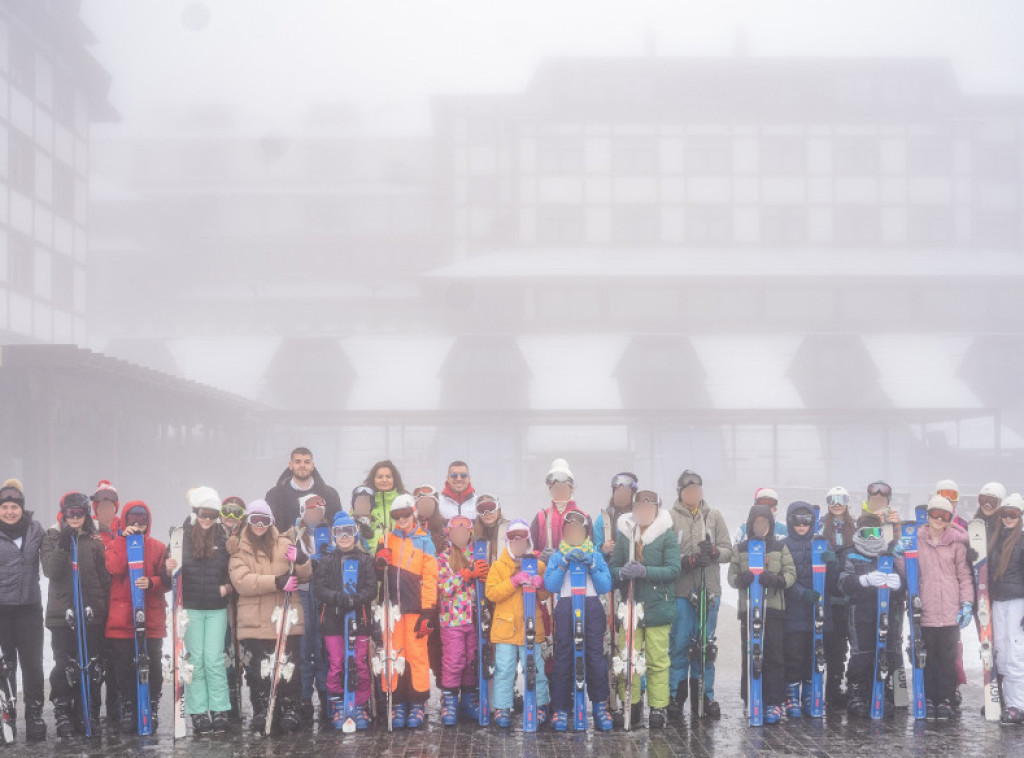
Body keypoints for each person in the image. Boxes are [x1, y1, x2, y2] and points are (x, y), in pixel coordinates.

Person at [229, 499, 312, 735]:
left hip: (285, 619)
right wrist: (276, 582)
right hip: (255, 622)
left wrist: (302, 560)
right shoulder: (239, 549)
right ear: (247, 521)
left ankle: (289, 708)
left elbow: (305, 576)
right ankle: (263, 709)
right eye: (254, 519)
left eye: (264, 520)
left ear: (271, 522)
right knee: (258, 670)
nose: (259, 525)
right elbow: (241, 581)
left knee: (290, 668)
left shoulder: (285, 543)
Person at [608, 489, 680, 728]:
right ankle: (633, 703)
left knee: (657, 659)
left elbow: (673, 569)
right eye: (639, 508)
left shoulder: (666, 535)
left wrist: (645, 572)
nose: (644, 513)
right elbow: (614, 567)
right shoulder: (626, 533)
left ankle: (658, 707)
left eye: (649, 509)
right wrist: (621, 572)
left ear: (656, 510)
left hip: (658, 607)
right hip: (630, 609)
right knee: (628, 657)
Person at [164, 487, 233, 734]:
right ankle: (198, 710)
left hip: (216, 608)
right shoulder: (180, 539)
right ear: (195, 512)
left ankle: (219, 708)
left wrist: (227, 586)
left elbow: (232, 573)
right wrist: (167, 567)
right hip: (191, 608)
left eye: (213, 515)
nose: (208, 520)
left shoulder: (223, 540)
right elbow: (167, 576)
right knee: (196, 660)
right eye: (204, 514)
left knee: (214, 659)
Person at [667, 469, 731, 720]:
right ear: (681, 492)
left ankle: (705, 695)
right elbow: (665, 553)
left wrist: (714, 553)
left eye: (697, 489)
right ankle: (676, 695)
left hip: (709, 590)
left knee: (705, 645)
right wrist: (685, 561)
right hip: (682, 590)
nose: (693, 494)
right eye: (688, 490)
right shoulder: (669, 517)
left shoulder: (713, 516)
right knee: (680, 643)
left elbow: (729, 550)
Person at [543, 509, 614, 731]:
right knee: (564, 657)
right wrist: (563, 562)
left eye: (578, 530)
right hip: (566, 608)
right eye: (569, 530)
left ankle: (600, 706)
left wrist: (592, 564)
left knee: (594, 658)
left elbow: (605, 586)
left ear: (586, 533)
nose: (573, 533)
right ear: (563, 533)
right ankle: (561, 708)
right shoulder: (557, 555)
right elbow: (551, 586)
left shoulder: (596, 554)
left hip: (591, 608)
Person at [105, 500, 170, 734]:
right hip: (122, 619)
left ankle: (151, 705)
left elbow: (167, 581)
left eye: (142, 519)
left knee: (151, 664)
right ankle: (130, 705)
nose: (137, 523)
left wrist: (152, 582)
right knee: (124, 666)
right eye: (132, 518)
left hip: (150, 617)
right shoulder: (114, 544)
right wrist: (125, 540)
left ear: (149, 521)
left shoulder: (158, 546)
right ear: (124, 520)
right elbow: (114, 567)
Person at [374, 494, 438, 729]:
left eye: (405, 514)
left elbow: (431, 578)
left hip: (415, 608)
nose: (401, 519)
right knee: (392, 654)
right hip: (391, 609)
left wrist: (428, 611)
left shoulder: (424, 541)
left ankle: (418, 702)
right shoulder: (386, 539)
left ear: (413, 513)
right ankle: (397, 703)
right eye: (396, 516)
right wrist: (379, 562)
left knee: (417, 655)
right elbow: (377, 574)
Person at [729, 503, 796, 724]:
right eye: (757, 523)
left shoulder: (779, 547)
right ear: (751, 524)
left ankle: (774, 702)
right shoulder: (741, 548)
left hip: (773, 609)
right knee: (751, 655)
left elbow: (790, 573)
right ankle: (751, 697)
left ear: (770, 525)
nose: (761, 527)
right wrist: (741, 580)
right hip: (749, 609)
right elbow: (731, 576)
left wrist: (777, 580)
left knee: (774, 656)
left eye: (765, 523)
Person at [313, 511, 376, 731]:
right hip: (333, 620)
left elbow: (371, 588)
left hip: (359, 618)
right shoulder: (327, 561)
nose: (345, 537)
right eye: (340, 532)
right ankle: (338, 702)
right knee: (337, 662)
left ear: (356, 534)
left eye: (349, 531)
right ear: (333, 535)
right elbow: (319, 588)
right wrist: (338, 598)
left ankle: (359, 703)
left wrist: (355, 600)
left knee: (358, 662)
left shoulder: (365, 559)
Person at [837, 516, 905, 719]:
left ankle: (881, 689)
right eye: (867, 532)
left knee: (885, 650)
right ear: (859, 532)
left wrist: (898, 584)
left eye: (876, 532)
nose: (871, 537)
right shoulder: (851, 555)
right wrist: (863, 580)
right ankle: (857, 691)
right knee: (862, 653)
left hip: (885, 611)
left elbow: (902, 588)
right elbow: (843, 582)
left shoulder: (888, 555)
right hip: (860, 611)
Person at [484, 519, 550, 728]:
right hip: (505, 629)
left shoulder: (538, 565)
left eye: (523, 540)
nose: (519, 544)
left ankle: (540, 704)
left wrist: (541, 585)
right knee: (504, 669)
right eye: (514, 540)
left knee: (535, 667)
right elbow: (492, 593)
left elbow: (547, 593)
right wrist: (513, 582)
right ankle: (502, 707)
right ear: (508, 542)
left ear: (528, 541)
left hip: (531, 628)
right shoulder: (498, 566)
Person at [916, 494, 973, 719]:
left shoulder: (956, 543)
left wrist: (966, 602)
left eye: (944, 515)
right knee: (927, 658)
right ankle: (929, 697)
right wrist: (898, 555)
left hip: (950, 612)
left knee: (948, 658)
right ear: (928, 516)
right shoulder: (917, 539)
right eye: (935, 514)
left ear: (950, 517)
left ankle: (946, 698)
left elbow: (964, 574)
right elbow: (908, 572)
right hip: (926, 609)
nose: (939, 519)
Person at [0, 480, 47, 741]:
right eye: (4, 507)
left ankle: (35, 715)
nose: (9, 511)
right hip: (2, 611)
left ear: (22, 508)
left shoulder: (36, 530)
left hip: (29, 609)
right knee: (5, 667)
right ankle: (7, 716)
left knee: (33, 665)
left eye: (14, 507)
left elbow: (51, 554)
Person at [436, 515, 487, 724]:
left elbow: (485, 583)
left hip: (473, 619)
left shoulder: (477, 554)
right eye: (455, 532)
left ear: (470, 533)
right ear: (449, 534)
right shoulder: (444, 557)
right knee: (454, 661)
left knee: (470, 660)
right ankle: (449, 702)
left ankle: (467, 700)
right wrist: (465, 574)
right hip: (452, 620)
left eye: (464, 531)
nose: (460, 535)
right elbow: (444, 588)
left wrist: (484, 574)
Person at [287, 493, 330, 724]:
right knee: (304, 648)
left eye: (319, 511)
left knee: (321, 646)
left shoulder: (328, 533)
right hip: (302, 594)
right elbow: (285, 560)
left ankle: (325, 695)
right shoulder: (294, 533)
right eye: (310, 510)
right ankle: (304, 699)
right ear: (303, 512)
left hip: (322, 596)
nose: (315, 514)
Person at [781, 501, 820, 718]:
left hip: (816, 610)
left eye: (807, 521)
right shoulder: (784, 545)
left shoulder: (820, 544)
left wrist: (830, 564)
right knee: (794, 654)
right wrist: (800, 593)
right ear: (790, 522)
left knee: (812, 654)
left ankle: (809, 694)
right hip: (794, 611)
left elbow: (831, 579)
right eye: (798, 521)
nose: (803, 526)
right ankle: (792, 695)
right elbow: (784, 575)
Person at [989, 493, 1024, 724]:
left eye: (1013, 514)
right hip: (997, 600)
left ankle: (1017, 704)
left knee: (1015, 653)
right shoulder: (996, 538)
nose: (1008, 518)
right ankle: (1003, 699)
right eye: (1005, 514)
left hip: (1017, 601)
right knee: (999, 651)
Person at [89, 479, 121, 726]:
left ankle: (115, 710)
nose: (105, 511)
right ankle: (91, 709)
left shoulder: (124, 530)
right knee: (95, 660)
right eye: (101, 506)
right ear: (95, 508)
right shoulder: (89, 531)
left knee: (116, 661)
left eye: (110, 506)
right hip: (97, 606)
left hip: (119, 606)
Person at [821, 486, 856, 707]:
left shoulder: (855, 526)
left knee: (853, 642)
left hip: (851, 591)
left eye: (841, 499)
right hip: (830, 592)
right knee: (834, 645)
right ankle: (832, 687)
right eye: (832, 499)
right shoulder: (822, 526)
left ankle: (852, 684)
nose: (836, 504)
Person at [264, 447, 342, 528]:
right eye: (297, 462)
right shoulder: (274, 495)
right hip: (285, 540)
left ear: (312, 466)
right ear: (290, 465)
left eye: (307, 462)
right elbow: (269, 528)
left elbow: (338, 525)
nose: (302, 465)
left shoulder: (330, 495)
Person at [219, 495, 246, 721]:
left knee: (241, 647)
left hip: (242, 599)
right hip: (224, 599)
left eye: (236, 512)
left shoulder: (246, 536)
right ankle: (228, 692)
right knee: (226, 645)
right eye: (227, 511)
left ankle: (238, 685)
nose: (231, 517)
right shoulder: (215, 535)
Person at [362, 460, 408, 543]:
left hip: (400, 553)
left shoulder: (405, 501)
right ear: (373, 479)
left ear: (394, 479)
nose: (384, 480)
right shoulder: (362, 502)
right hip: (368, 553)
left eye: (388, 476)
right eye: (380, 477)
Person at [594, 472, 637, 559]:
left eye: (625, 491)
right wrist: (602, 549)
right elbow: (592, 551)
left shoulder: (639, 517)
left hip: (635, 567)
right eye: (617, 491)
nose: (620, 495)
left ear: (632, 494)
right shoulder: (604, 518)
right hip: (609, 568)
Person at [471, 493, 508, 563]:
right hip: (480, 571)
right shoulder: (472, 532)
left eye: (491, 508)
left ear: (498, 509)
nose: (487, 514)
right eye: (482, 510)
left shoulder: (507, 530)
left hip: (501, 571)